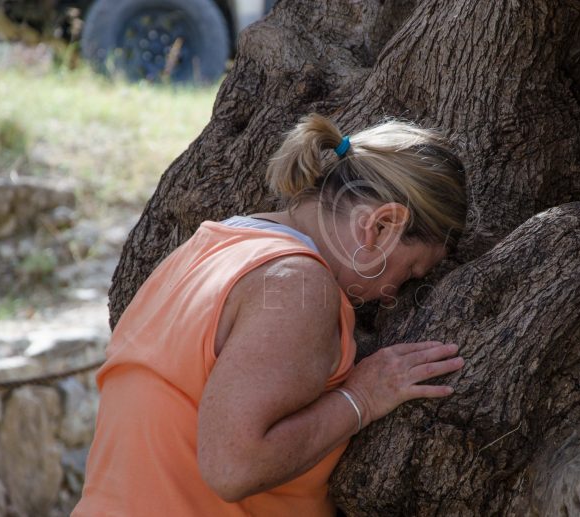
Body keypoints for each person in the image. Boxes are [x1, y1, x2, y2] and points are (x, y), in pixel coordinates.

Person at [73, 113, 469, 516]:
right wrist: (363, 397)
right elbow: (234, 466)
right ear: (382, 226)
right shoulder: (297, 283)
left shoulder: (213, 244)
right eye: (410, 272)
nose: (391, 299)